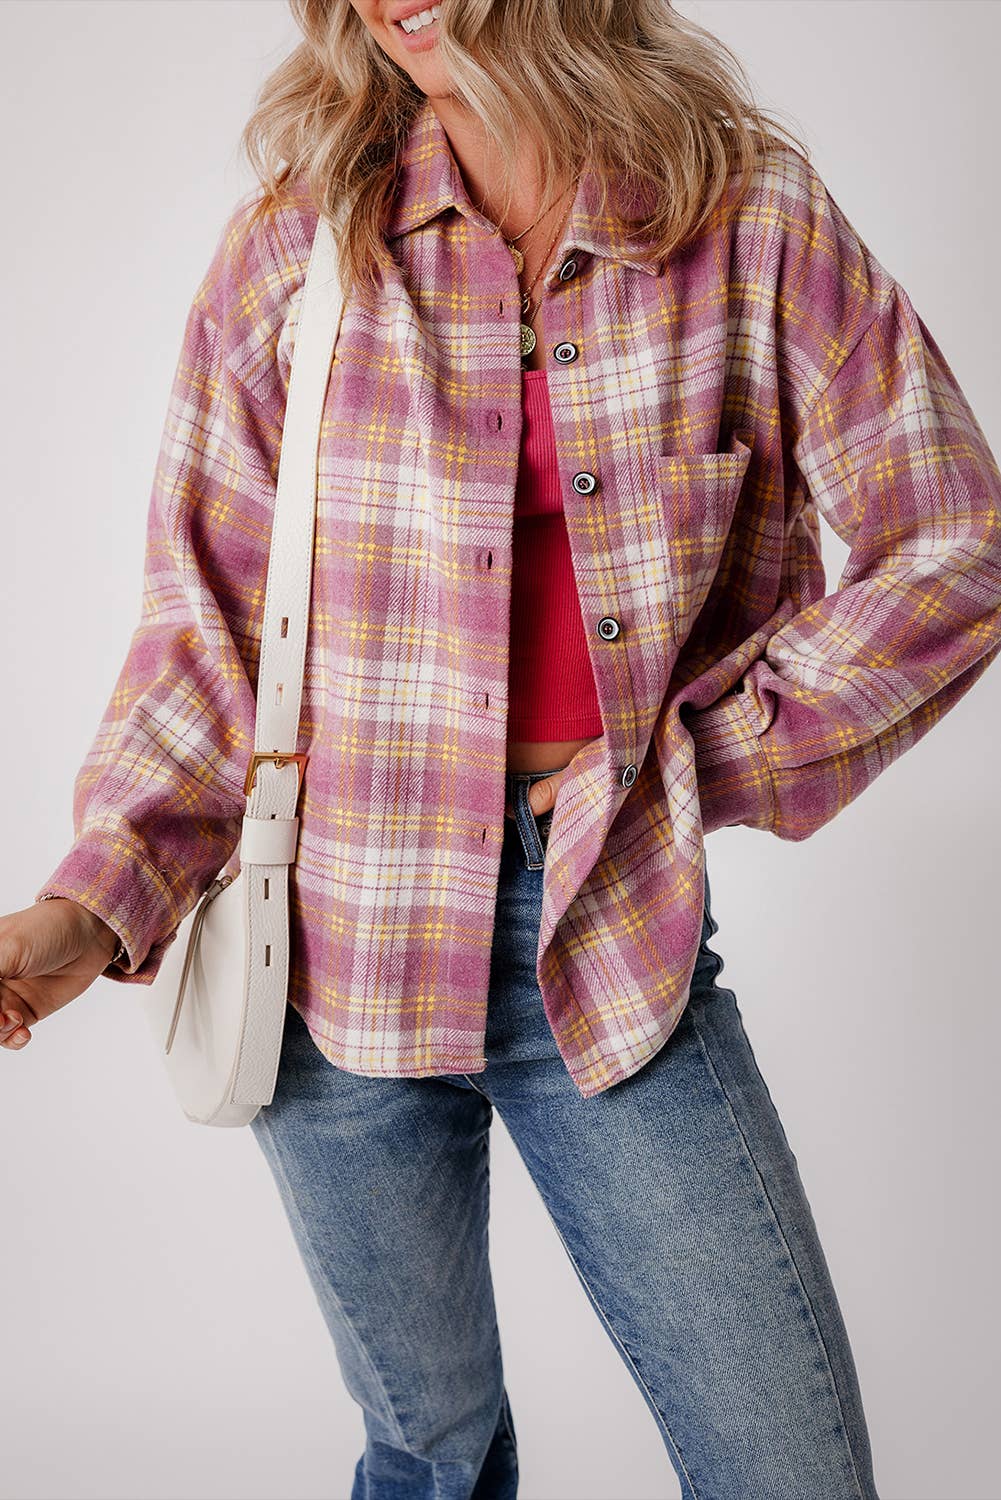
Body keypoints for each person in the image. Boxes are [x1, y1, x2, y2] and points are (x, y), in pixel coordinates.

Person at [5, 1, 1001, 1495]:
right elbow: (203, 630)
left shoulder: (743, 213)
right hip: (328, 944)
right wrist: (91, 906)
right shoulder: (299, 243)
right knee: (430, 1461)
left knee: (786, 1470)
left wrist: (699, 764)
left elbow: (953, 545)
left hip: (607, 927)